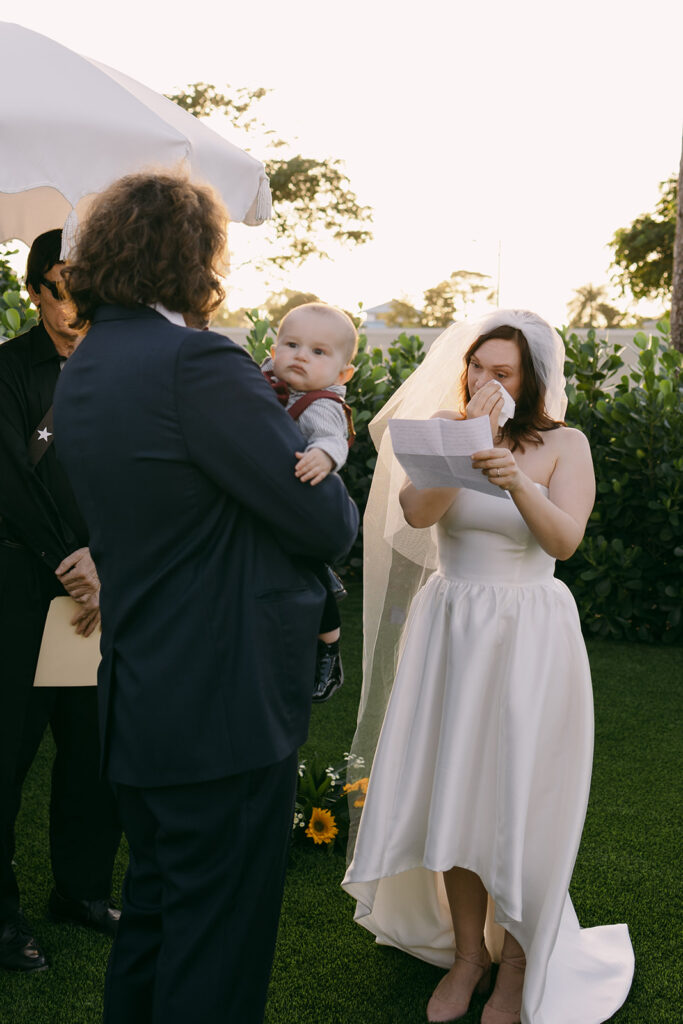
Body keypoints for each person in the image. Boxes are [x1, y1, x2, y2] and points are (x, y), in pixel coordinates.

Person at [54, 171, 358, 1024]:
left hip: (143, 683)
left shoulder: (89, 363)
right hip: (222, 697)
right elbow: (324, 520)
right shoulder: (198, 361)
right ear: (194, 257)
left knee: (155, 912)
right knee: (217, 935)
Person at [342, 310, 634, 1024]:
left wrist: (515, 481)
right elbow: (415, 514)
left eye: (500, 372)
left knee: (515, 797)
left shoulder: (565, 444)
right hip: (450, 627)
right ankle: (468, 953)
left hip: (526, 632)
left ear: (529, 379)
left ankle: (519, 962)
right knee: (453, 789)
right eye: (476, 367)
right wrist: (462, 450)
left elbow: (563, 542)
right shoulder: (446, 427)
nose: (483, 381)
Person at [0, 230, 122, 973]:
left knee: (96, 749)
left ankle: (79, 889)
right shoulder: (10, 369)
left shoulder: (124, 369)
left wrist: (108, 563)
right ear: (34, 291)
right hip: (20, 585)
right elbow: (9, 478)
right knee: (8, 752)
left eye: (86, 282)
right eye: (59, 284)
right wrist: (67, 561)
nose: (72, 301)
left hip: (108, 591)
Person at [262, 302, 357, 701]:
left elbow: (332, 439)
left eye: (318, 352)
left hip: (302, 500)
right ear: (273, 351)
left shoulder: (321, 404)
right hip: (268, 500)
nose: (300, 355)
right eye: (292, 344)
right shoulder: (263, 380)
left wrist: (324, 455)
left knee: (310, 575)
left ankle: (329, 646)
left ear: (343, 373)